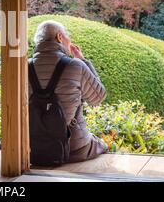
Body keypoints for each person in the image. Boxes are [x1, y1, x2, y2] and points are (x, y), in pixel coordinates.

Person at [30, 20, 108, 163]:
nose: (69, 41)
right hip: (73, 147)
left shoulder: (23, 67)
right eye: (67, 36)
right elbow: (98, 97)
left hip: (34, 147)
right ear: (60, 37)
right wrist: (83, 60)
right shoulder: (75, 65)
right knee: (102, 144)